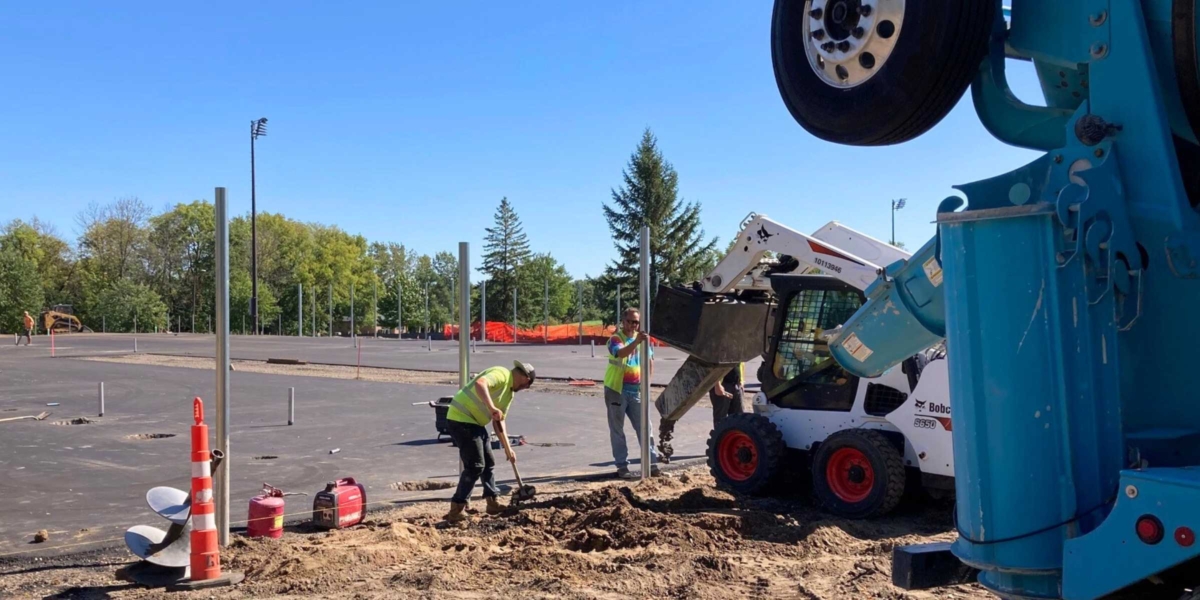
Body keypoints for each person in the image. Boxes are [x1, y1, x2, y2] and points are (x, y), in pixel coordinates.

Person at [444, 360, 536, 523]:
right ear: (524, 378)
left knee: (488, 462)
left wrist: (508, 448)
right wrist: (492, 407)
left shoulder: (509, 393)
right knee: (475, 466)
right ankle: (456, 508)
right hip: (460, 418)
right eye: (527, 385)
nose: (525, 389)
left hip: (475, 423)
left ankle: (492, 502)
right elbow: (481, 384)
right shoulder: (501, 374)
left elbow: (499, 421)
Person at [604, 307, 659, 479]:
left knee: (645, 427)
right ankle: (622, 466)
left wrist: (647, 384)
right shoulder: (615, 339)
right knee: (617, 430)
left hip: (637, 391)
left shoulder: (644, 340)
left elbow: (649, 362)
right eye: (629, 321)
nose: (632, 325)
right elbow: (621, 353)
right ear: (623, 321)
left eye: (636, 322)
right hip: (617, 390)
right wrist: (636, 342)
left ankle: (652, 464)